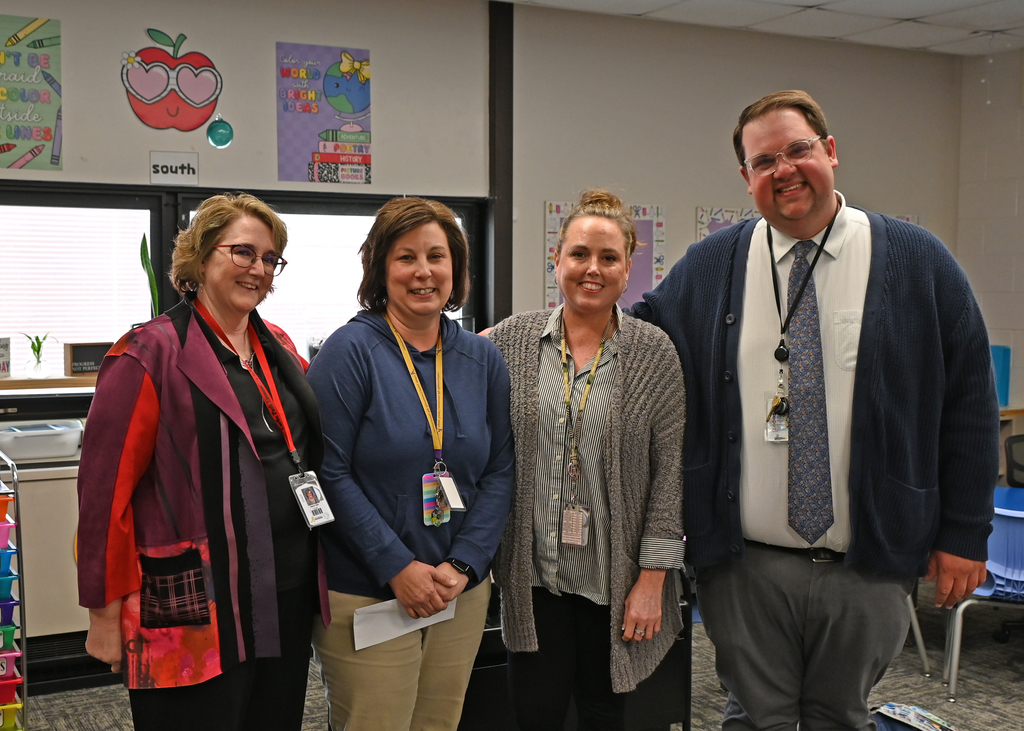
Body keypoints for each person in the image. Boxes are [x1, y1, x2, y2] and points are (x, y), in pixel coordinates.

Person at [632, 90, 999, 730]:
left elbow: (968, 400)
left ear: (830, 151)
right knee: (755, 719)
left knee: (840, 718)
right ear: (746, 178)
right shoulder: (712, 265)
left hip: (870, 562)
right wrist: (516, 344)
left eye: (798, 149)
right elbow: (634, 343)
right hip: (745, 564)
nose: (785, 170)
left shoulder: (918, 261)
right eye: (764, 160)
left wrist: (965, 532)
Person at [77, 193, 327, 731]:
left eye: (268, 258)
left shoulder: (275, 344)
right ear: (200, 256)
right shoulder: (146, 354)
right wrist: (101, 612)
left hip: (283, 591)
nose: (257, 268)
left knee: (273, 719)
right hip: (195, 599)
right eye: (242, 252)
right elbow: (102, 495)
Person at [307, 196, 515, 731]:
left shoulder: (482, 358)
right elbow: (327, 473)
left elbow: (498, 469)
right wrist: (397, 567)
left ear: (456, 268)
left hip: (458, 588)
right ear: (381, 268)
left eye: (437, 256)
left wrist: (465, 564)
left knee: (438, 724)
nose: (423, 272)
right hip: (367, 589)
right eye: (405, 257)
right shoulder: (348, 352)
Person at [487, 190, 686, 731]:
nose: (592, 270)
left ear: (627, 269)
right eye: (579, 255)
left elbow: (669, 476)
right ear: (556, 260)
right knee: (535, 712)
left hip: (615, 578)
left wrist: (652, 582)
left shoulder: (654, 352)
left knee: (604, 713)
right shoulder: (510, 341)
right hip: (535, 578)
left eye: (608, 258)